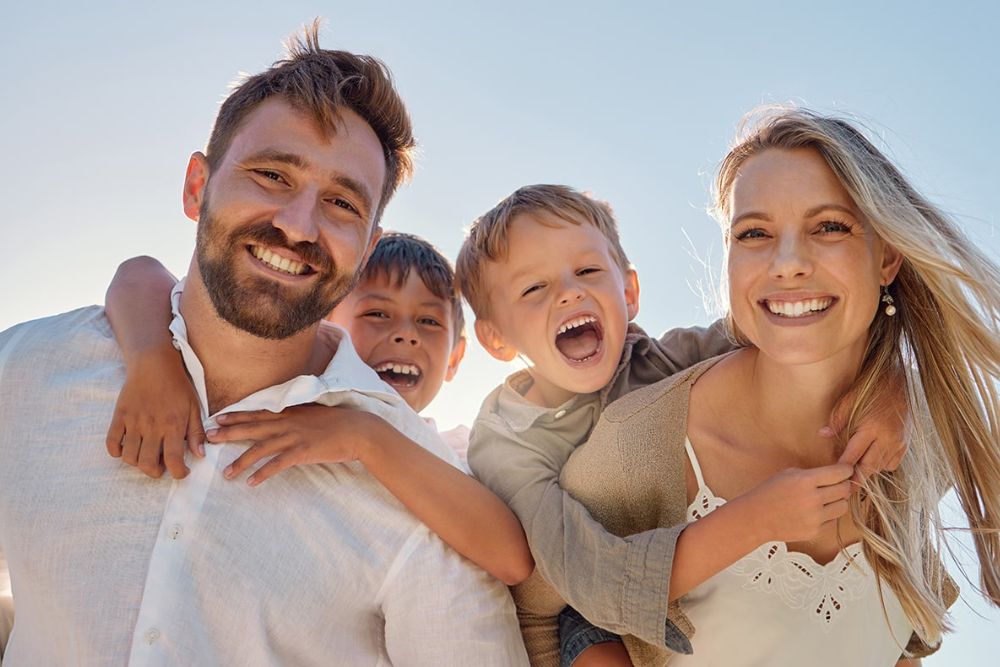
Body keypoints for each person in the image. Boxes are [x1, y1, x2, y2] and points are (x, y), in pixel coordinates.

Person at [0, 23, 528, 665]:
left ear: (366, 246)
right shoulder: (28, 373)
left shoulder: (420, 495)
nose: (298, 225)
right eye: (272, 175)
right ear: (198, 186)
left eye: (340, 203)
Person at [544, 108, 1000, 665]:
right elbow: (536, 610)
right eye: (754, 233)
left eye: (828, 226)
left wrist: (898, 382)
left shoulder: (919, 440)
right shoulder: (641, 442)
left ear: (887, 257)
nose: (787, 264)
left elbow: (907, 638)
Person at [457, 184, 909, 665]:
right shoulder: (507, 442)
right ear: (496, 338)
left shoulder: (667, 358)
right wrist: (757, 519)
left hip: (681, 574)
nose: (570, 293)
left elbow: (795, 331)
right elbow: (583, 574)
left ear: (628, 292)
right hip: (579, 604)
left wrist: (889, 385)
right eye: (533, 288)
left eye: (587, 270)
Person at [101, 232, 531, 582]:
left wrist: (364, 436)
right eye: (378, 314)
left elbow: (511, 559)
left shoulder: (451, 450)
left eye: (429, 321)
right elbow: (140, 272)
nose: (406, 336)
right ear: (323, 322)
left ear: (455, 357)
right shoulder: (287, 395)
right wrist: (151, 361)